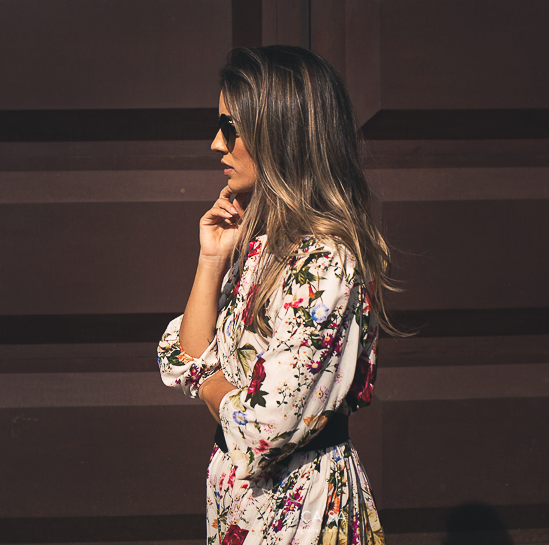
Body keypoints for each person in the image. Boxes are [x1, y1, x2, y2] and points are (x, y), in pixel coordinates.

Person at [158, 45, 395, 545]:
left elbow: (260, 430)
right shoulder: (258, 243)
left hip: (301, 512)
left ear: (279, 134)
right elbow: (186, 351)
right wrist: (211, 260)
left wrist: (205, 378)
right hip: (241, 507)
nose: (215, 145)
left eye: (230, 128)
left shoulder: (325, 263)